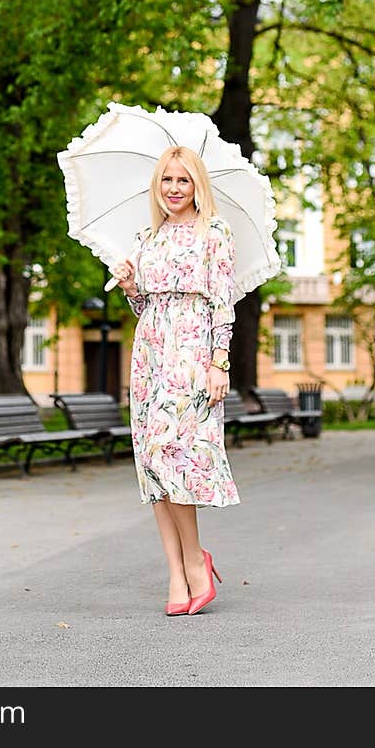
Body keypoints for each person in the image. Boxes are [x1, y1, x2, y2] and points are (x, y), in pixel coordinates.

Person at [113, 144, 239, 616]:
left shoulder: (215, 232)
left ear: (197, 186)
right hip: (149, 356)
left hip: (191, 356)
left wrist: (219, 362)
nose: (173, 188)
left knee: (175, 458)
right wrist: (130, 286)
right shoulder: (147, 237)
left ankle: (195, 561)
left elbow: (223, 302)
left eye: (183, 180)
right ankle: (176, 571)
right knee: (153, 466)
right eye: (167, 180)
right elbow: (146, 309)